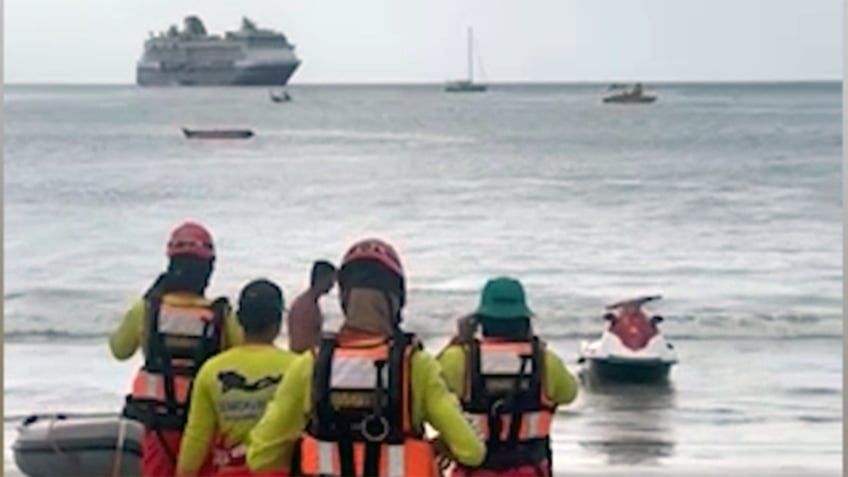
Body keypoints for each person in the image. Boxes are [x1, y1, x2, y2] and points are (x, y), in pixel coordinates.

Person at [246, 238, 486, 477]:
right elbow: (472, 451)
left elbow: (260, 457)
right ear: (396, 300)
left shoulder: (310, 365)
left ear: (344, 299)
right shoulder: (415, 366)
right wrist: (437, 446)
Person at [110, 221, 244, 477]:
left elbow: (119, 349)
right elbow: (243, 357)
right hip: (203, 426)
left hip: (156, 426)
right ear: (208, 270)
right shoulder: (221, 316)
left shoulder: (147, 310)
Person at [437, 277, 579, 477]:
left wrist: (459, 340)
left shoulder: (458, 359)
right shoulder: (546, 361)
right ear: (524, 320)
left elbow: (426, 390)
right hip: (530, 470)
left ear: (480, 321)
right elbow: (569, 394)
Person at [176, 278, 298, 477]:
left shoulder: (212, 370)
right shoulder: (297, 367)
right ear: (278, 321)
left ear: (239, 319)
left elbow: (197, 437)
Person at [286, 260, 336, 354]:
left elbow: (312, 333)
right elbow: (299, 343)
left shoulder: (311, 302)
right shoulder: (305, 306)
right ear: (322, 279)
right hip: (302, 360)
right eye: (331, 280)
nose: (333, 285)